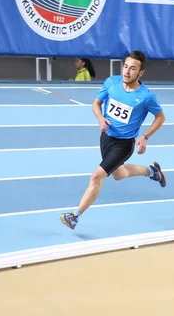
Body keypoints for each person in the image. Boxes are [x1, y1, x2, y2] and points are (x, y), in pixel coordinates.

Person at [60, 51, 167, 229]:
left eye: (133, 69)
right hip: (106, 138)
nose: (127, 71)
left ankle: (75, 216)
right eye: (125, 66)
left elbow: (160, 118)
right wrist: (101, 119)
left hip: (124, 145)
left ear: (140, 73)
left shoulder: (147, 96)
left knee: (97, 176)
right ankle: (152, 171)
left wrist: (145, 136)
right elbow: (96, 104)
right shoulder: (112, 83)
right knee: (119, 174)